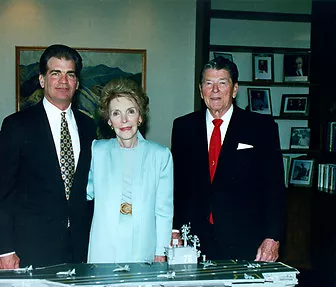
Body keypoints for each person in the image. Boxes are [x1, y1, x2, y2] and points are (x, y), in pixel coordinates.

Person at [0, 44, 97, 269]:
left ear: (77, 83)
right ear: (42, 80)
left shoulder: (89, 126)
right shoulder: (16, 126)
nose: (63, 81)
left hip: (80, 248)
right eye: (55, 73)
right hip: (31, 249)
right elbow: (1, 192)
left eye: (70, 74)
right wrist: (5, 250)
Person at [171, 56, 285, 262]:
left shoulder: (262, 127)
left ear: (234, 89)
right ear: (200, 90)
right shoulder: (183, 127)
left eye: (222, 83)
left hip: (245, 238)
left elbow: (275, 188)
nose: (215, 90)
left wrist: (273, 236)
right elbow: (177, 186)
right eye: (208, 83)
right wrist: (174, 228)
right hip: (195, 240)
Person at [86, 77, 173, 263]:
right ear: (109, 121)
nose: (124, 120)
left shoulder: (161, 155)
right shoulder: (97, 150)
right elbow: (83, 193)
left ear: (140, 117)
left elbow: (164, 210)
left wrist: (161, 251)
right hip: (104, 246)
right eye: (116, 113)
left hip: (144, 246)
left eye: (130, 111)